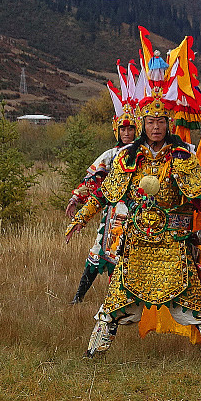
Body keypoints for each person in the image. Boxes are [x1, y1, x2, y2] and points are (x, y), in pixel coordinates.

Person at [65, 91, 201, 361]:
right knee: (116, 298)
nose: (156, 127)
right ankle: (93, 354)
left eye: (161, 122)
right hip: (137, 243)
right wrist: (81, 218)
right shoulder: (128, 158)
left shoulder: (182, 157)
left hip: (173, 243)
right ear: (144, 124)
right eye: (151, 122)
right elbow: (103, 194)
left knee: (193, 298)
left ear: (168, 124)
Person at [66, 106, 136, 304]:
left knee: (128, 258)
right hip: (113, 213)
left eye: (130, 129)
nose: (126, 133)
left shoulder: (142, 153)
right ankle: (79, 297)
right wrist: (76, 199)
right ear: (117, 131)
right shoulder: (110, 155)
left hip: (137, 213)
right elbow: (93, 182)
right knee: (99, 252)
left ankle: (122, 301)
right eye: (122, 129)